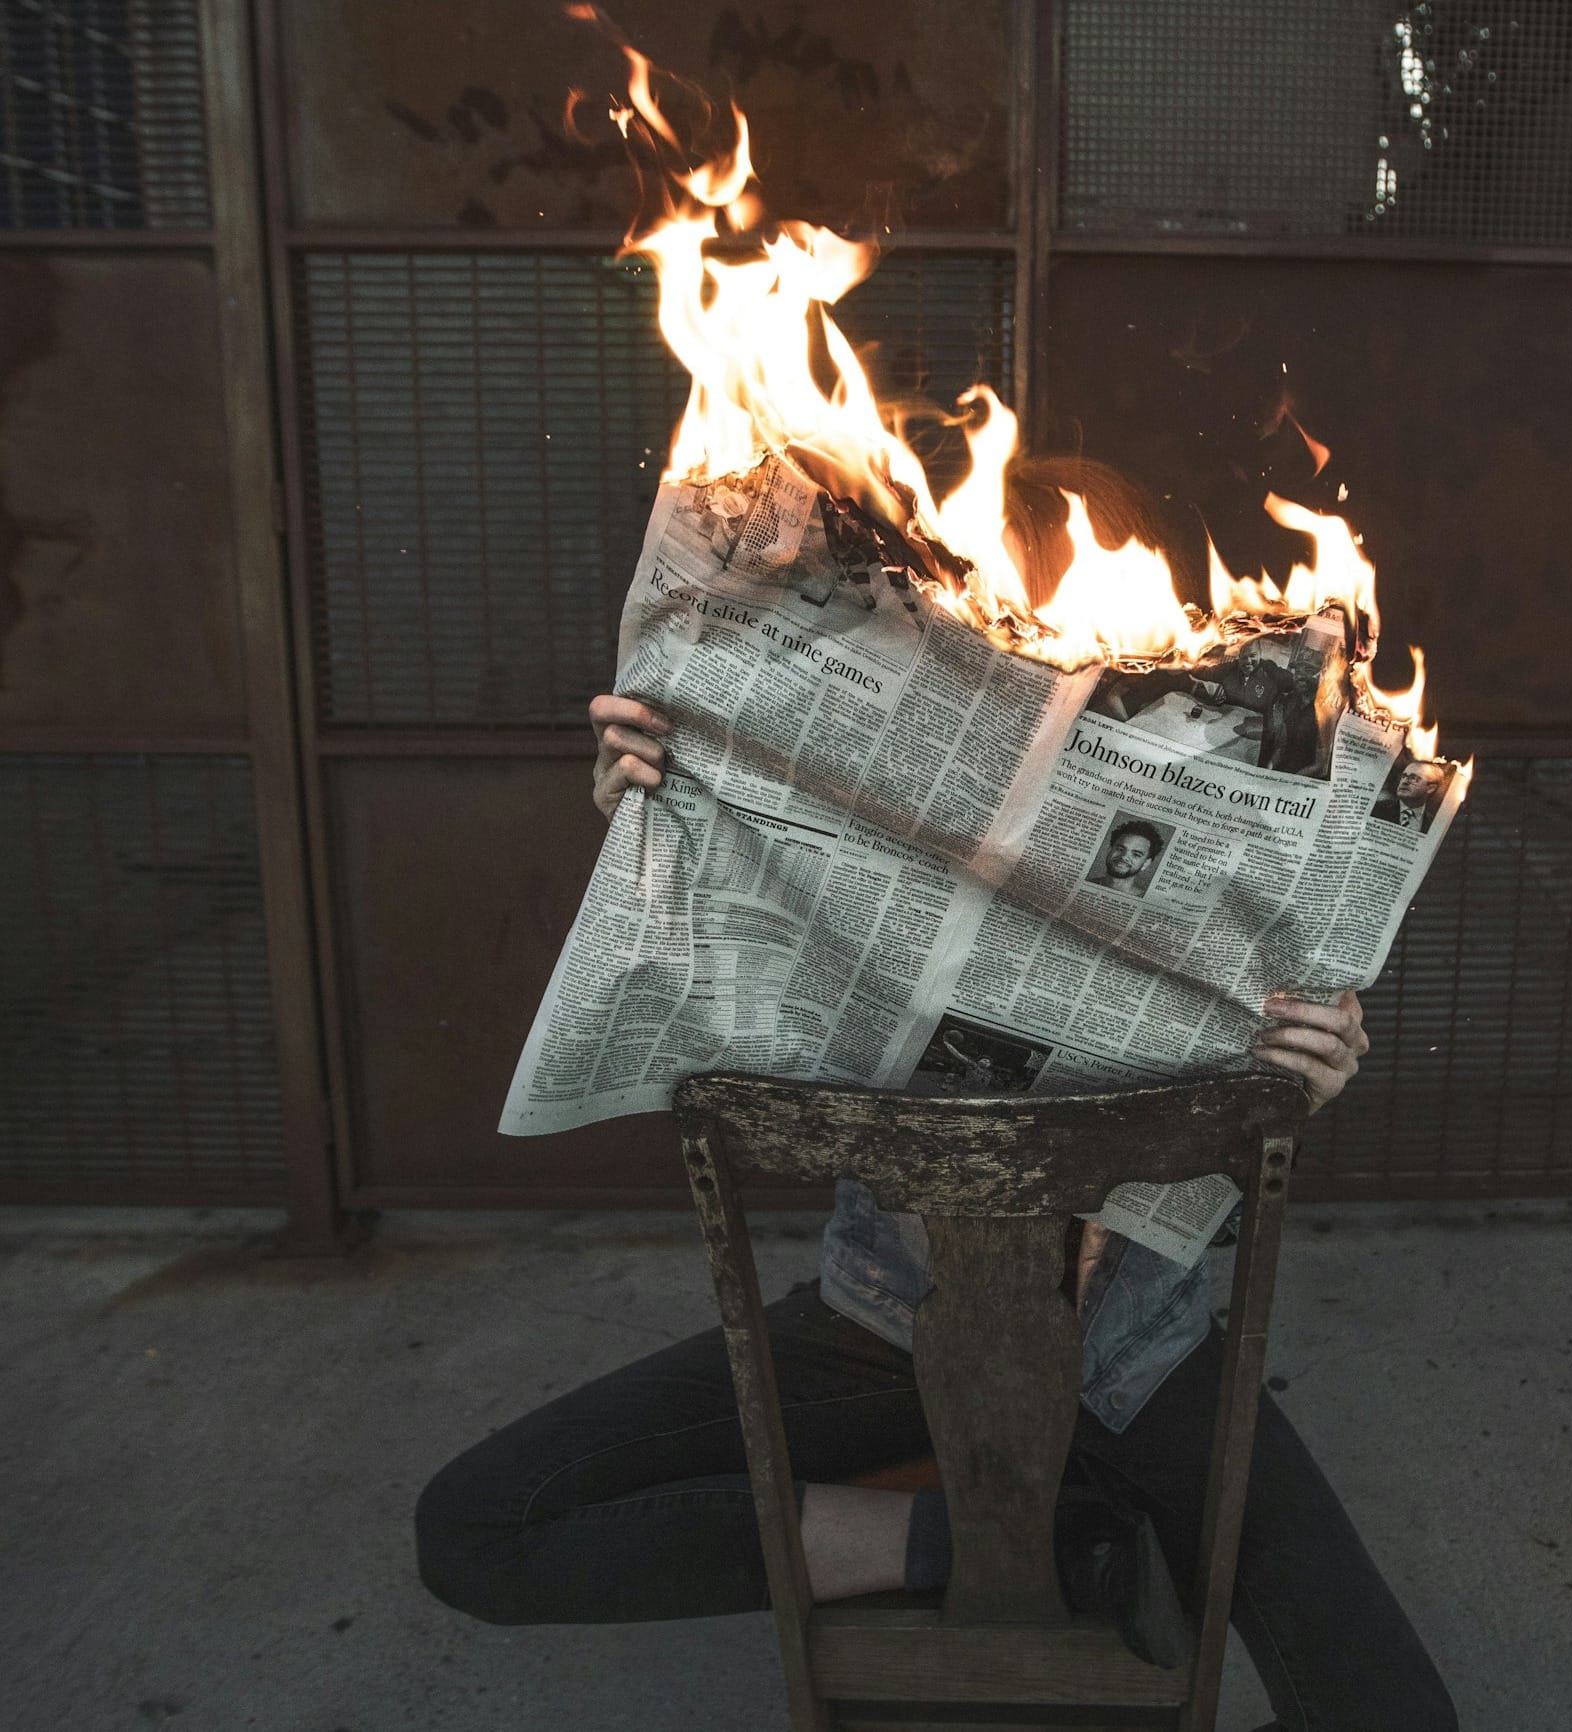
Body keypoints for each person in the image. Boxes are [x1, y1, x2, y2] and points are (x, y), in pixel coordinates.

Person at [415, 463, 1458, 1732]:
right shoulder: (864, 787)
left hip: (1138, 1351)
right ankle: (1026, 1542)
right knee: (477, 1529)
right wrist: (663, 817)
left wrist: (1312, 1068)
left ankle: (1048, 1528)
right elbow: (714, 1000)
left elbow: (1262, 1058)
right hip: (888, 1327)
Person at [1087, 818, 1165, 896]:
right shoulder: (1087, 883)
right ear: (1109, 850)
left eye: (1136, 854)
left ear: (1146, 863)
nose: (1124, 857)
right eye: (1120, 849)